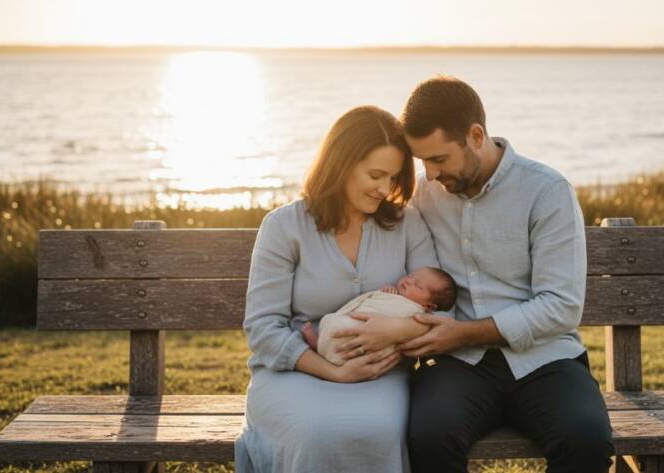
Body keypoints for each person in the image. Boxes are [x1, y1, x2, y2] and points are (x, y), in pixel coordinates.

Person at [346, 76, 616, 473]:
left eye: (439, 159)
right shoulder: (424, 194)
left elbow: (562, 308)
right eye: (423, 161)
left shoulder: (547, 191)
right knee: (429, 437)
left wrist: (464, 332)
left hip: (544, 358)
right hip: (460, 365)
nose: (431, 174)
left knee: (586, 440)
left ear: (475, 136)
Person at [234, 105, 439, 473]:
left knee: (375, 430)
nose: (385, 189)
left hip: (381, 373)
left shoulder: (408, 224)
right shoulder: (284, 227)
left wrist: (397, 330)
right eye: (375, 175)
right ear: (340, 163)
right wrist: (333, 371)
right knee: (314, 433)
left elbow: (440, 308)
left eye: (393, 178)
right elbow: (263, 329)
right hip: (294, 373)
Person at [302, 266, 457, 365]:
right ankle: (322, 343)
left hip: (374, 337)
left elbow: (409, 329)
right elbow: (378, 301)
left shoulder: (416, 313)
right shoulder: (396, 295)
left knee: (350, 335)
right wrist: (386, 294)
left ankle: (322, 347)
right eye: (411, 276)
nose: (409, 281)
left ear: (429, 306)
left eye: (418, 285)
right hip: (357, 319)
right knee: (332, 322)